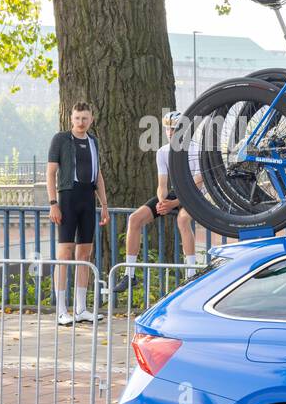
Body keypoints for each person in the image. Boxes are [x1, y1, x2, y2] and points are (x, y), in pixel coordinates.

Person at [112, 111, 201, 294]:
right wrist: (162, 201)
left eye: (174, 128)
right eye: (168, 128)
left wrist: (174, 203)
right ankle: (130, 274)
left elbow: (199, 181)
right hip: (176, 192)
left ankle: (190, 273)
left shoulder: (196, 149)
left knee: (183, 220)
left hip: (196, 193)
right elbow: (162, 184)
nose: (170, 132)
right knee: (134, 219)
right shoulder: (163, 152)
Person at [46, 101, 110, 325]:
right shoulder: (61, 139)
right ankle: (62, 310)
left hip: (87, 200)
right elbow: (51, 172)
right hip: (67, 198)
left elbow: (97, 174)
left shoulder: (93, 141)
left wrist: (104, 204)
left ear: (91, 118)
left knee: (84, 255)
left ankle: (81, 308)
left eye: (84, 118)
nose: (81, 122)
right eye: (77, 118)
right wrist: (53, 203)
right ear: (71, 119)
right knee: (64, 254)